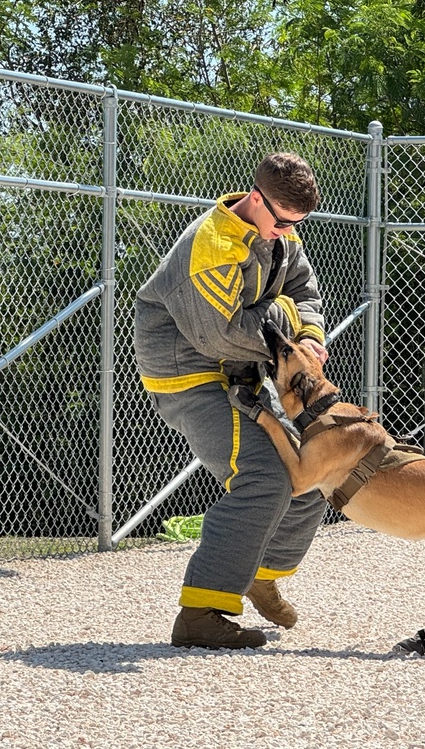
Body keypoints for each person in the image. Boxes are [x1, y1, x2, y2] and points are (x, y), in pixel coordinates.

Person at [134, 152, 329, 649]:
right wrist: (287, 320)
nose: (286, 232)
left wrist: (307, 336)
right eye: (282, 221)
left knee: (308, 476)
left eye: (297, 224)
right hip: (191, 377)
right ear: (255, 197)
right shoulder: (213, 244)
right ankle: (200, 613)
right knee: (263, 478)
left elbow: (304, 289)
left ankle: (256, 573)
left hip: (239, 374)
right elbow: (218, 336)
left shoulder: (278, 234)